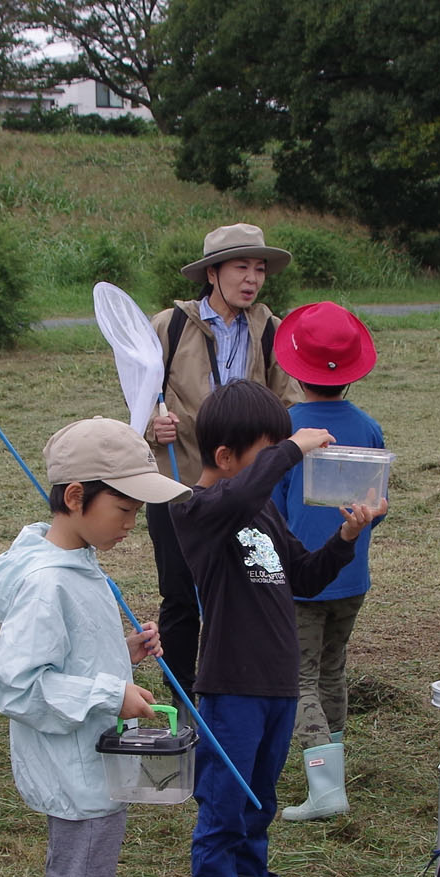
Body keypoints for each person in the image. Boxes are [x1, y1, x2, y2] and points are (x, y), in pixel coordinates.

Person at [0, 418, 183, 877]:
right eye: (124, 509)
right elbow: (17, 686)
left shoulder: (76, 559)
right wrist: (108, 692)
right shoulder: (48, 581)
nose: (132, 523)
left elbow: (67, 654)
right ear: (76, 498)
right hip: (78, 774)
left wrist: (119, 654)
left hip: (91, 763)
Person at [174, 380, 385, 877]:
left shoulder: (260, 507)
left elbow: (307, 577)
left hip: (276, 688)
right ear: (225, 458)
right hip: (230, 689)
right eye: (267, 453)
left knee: (259, 806)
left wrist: (347, 537)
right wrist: (290, 449)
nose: (280, 462)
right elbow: (236, 498)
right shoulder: (196, 511)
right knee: (223, 812)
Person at [142, 225, 304, 691]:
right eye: (241, 267)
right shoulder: (167, 327)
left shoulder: (273, 330)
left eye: (259, 269)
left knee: (241, 594)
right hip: (178, 485)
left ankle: (231, 691)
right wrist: (156, 428)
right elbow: (139, 406)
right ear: (212, 273)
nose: (252, 279)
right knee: (179, 597)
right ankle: (182, 701)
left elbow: (288, 404)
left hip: (247, 493)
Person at [268, 302, 383, 822]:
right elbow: (375, 509)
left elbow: (268, 505)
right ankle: (330, 771)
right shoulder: (369, 428)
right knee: (332, 671)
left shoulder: (285, 429)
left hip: (299, 580)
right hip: (351, 575)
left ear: (293, 367)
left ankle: (324, 788)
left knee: (299, 680)